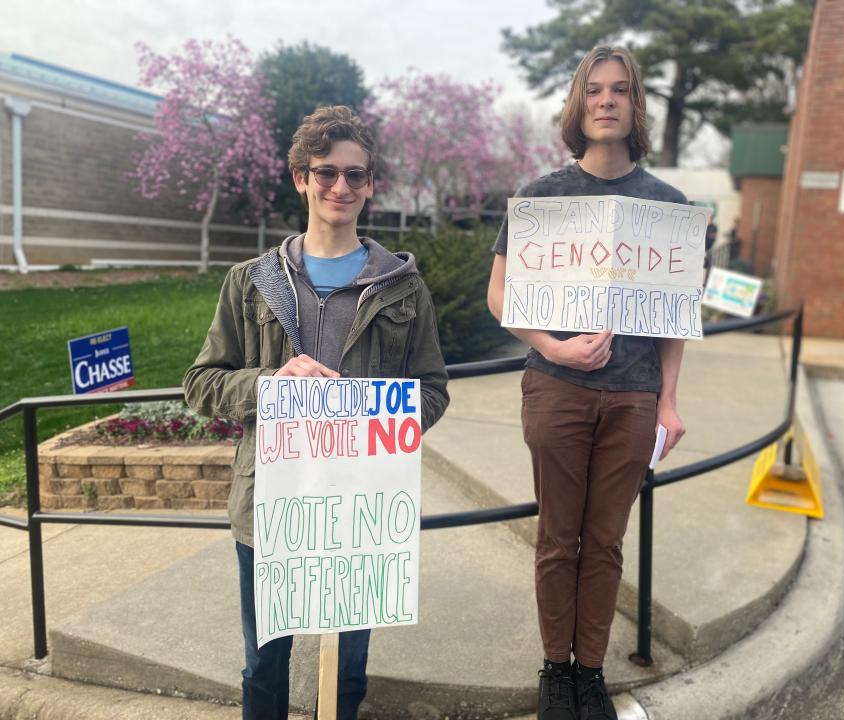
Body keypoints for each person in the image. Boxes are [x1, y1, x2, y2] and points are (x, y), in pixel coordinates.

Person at [183, 105, 449, 720]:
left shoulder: (404, 288)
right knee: (265, 668)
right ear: (300, 178)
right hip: (271, 503)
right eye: (326, 173)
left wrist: (378, 419)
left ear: (371, 184)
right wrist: (273, 382)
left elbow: (432, 388)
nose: (341, 188)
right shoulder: (249, 282)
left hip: (359, 509)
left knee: (348, 671)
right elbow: (201, 383)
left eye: (356, 175)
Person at [487, 46, 688, 720]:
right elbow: (500, 295)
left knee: (604, 542)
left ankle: (590, 672)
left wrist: (670, 401)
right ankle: (554, 669)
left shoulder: (667, 205)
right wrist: (555, 347)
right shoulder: (542, 197)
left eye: (621, 90)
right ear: (579, 105)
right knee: (556, 539)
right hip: (556, 389)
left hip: (633, 398)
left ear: (636, 107)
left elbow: (671, 318)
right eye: (595, 90)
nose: (607, 101)